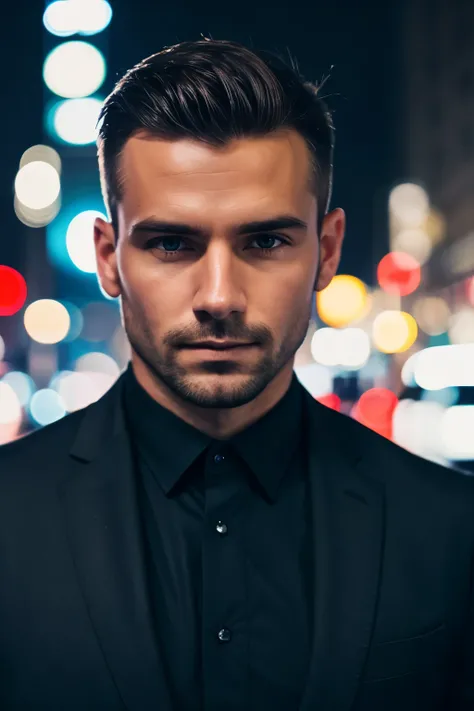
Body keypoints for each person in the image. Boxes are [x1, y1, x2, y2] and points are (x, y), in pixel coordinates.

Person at [0, 39, 473, 711]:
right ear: (108, 257)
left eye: (265, 241)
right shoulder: (8, 518)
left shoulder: (450, 529)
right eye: (171, 243)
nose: (219, 296)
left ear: (327, 249)